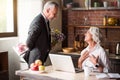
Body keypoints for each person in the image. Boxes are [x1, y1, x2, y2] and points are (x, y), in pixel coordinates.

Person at [23, 1, 59, 67]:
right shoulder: (38, 21)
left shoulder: (45, 20)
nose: (55, 17)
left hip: (39, 58)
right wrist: (36, 52)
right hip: (35, 59)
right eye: (54, 14)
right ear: (48, 10)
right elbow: (28, 42)